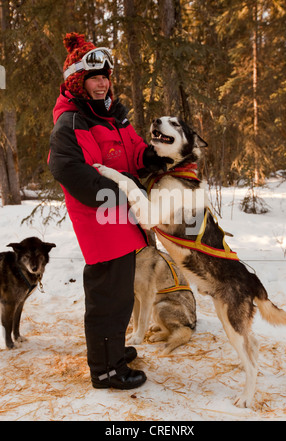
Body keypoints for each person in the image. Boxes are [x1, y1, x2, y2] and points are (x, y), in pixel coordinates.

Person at [48, 33, 172, 390]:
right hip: (99, 221)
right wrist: (122, 195)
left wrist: (151, 158)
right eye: (94, 77)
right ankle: (105, 371)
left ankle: (114, 352)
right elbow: (69, 170)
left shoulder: (110, 117)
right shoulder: (71, 121)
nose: (102, 83)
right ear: (78, 82)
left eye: (105, 76)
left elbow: (131, 152)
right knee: (107, 298)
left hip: (120, 219)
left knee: (121, 295)